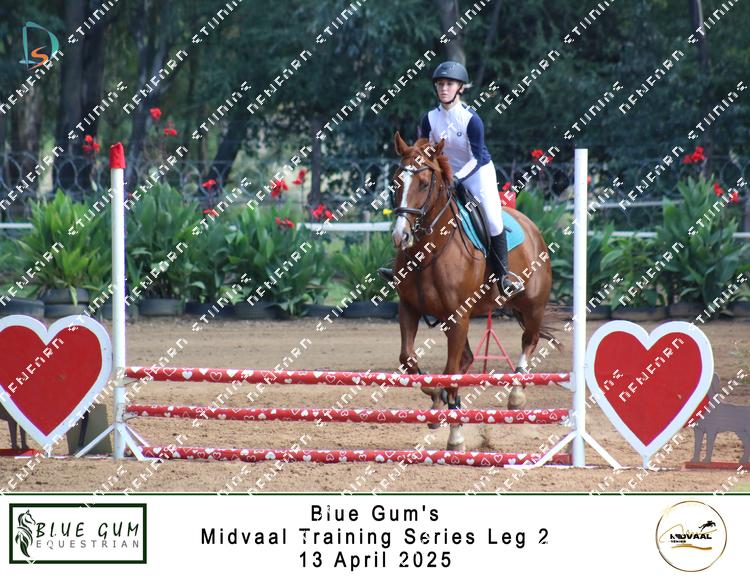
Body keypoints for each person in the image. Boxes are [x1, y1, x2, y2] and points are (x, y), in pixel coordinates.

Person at [379, 60, 524, 296]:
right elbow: (425, 150)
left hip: (477, 173)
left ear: (461, 88)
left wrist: (458, 178)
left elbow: (477, 158)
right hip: (443, 173)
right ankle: (400, 267)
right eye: (440, 84)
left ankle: (503, 276)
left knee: (493, 220)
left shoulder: (471, 119)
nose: (444, 88)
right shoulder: (428, 119)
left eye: (449, 84)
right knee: (416, 210)